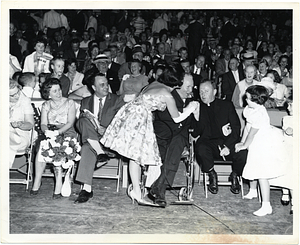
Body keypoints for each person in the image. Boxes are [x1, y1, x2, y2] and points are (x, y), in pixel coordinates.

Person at [100, 65, 199, 206]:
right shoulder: (168, 95)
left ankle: (136, 191)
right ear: (177, 84)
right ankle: (136, 191)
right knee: (135, 155)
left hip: (130, 112)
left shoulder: (154, 84)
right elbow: (177, 118)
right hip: (139, 117)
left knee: (135, 156)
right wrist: (191, 108)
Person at [235, 85, 286, 216]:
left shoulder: (260, 113)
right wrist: (242, 141)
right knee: (252, 165)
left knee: (262, 174)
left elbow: (252, 133)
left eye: (248, 98)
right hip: (255, 141)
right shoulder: (250, 109)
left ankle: (266, 205)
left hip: (263, 143)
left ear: (257, 100)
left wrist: (244, 145)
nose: (245, 100)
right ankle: (252, 190)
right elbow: (247, 127)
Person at [74, 72, 125, 203]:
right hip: (92, 138)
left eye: (107, 84)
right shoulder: (86, 101)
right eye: (102, 85)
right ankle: (87, 188)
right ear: (93, 87)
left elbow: (123, 123)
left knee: (87, 145)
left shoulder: (117, 99)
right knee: (82, 121)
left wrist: (106, 130)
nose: (106, 87)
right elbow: (82, 125)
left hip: (110, 139)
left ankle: (87, 188)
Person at [192, 80, 247, 195]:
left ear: (215, 91)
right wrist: (196, 117)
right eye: (201, 92)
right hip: (209, 145)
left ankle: (235, 175)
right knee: (200, 147)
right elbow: (195, 134)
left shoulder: (226, 105)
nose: (203, 94)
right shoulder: (198, 107)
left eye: (206, 91)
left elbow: (236, 128)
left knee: (243, 153)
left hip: (228, 143)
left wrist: (228, 146)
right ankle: (212, 174)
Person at [150, 74, 196, 207]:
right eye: (188, 86)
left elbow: (195, 126)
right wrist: (186, 111)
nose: (190, 89)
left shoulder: (192, 101)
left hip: (179, 138)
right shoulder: (167, 97)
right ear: (178, 87)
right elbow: (166, 117)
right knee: (169, 156)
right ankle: (158, 186)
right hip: (162, 136)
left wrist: (197, 115)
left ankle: (160, 189)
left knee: (178, 141)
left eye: (192, 86)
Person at [30, 78, 77, 198]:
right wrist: (47, 132)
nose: (59, 93)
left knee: (59, 146)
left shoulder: (70, 103)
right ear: (48, 94)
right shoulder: (46, 105)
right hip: (50, 131)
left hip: (66, 130)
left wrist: (58, 132)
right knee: (42, 147)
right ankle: (37, 181)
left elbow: (70, 122)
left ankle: (59, 183)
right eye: (55, 91)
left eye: (59, 90)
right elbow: (43, 124)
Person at [9, 79, 34, 168]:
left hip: (21, 134)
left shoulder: (25, 100)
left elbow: (30, 124)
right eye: (12, 95)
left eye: (18, 92)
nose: (17, 96)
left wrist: (20, 125)